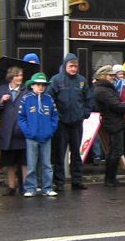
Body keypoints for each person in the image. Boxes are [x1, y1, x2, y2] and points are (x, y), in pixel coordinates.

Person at [46, 53, 92, 191]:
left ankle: (76, 180)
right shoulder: (56, 80)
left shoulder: (82, 81)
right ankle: (59, 182)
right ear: (65, 66)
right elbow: (49, 98)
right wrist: (56, 115)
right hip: (61, 123)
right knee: (60, 153)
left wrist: (85, 113)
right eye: (71, 66)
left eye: (75, 66)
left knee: (76, 153)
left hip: (77, 122)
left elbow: (88, 99)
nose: (73, 68)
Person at [18, 72, 58, 197]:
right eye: (38, 85)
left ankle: (47, 187)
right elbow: (21, 117)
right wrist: (28, 131)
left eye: (43, 85)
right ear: (32, 86)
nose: (40, 87)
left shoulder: (49, 99)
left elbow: (54, 116)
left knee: (46, 164)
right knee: (31, 165)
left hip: (46, 136)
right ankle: (30, 188)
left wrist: (50, 130)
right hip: (31, 137)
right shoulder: (26, 99)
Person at [93, 65, 125, 187]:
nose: (113, 77)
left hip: (112, 121)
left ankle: (110, 178)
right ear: (103, 76)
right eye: (111, 75)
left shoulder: (104, 88)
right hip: (113, 122)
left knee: (113, 150)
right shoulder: (103, 90)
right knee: (116, 151)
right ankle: (110, 179)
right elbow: (116, 106)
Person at [0, 66, 28, 196]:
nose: (20, 78)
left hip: (21, 131)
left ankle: (25, 186)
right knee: (9, 161)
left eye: (21, 75)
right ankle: (11, 186)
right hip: (7, 131)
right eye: (17, 75)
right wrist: (1, 101)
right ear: (11, 77)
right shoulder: (2, 90)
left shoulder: (26, 91)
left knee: (24, 161)